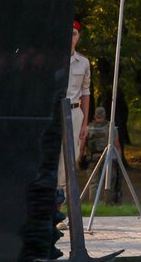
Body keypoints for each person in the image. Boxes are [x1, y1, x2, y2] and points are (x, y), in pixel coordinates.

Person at [58, 21, 91, 196]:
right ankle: (49, 204)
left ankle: (60, 206)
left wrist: (85, 122)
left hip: (74, 112)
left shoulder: (83, 62)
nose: (71, 37)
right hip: (55, 111)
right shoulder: (52, 60)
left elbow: (85, 91)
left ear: (78, 37)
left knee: (71, 157)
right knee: (54, 157)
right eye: (68, 33)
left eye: (74, 33)